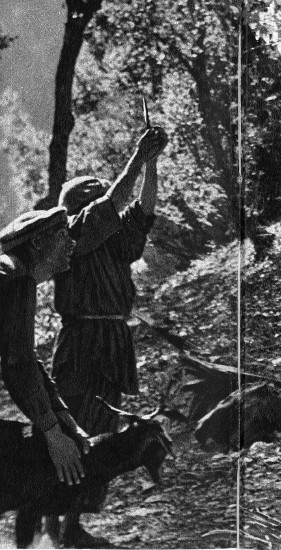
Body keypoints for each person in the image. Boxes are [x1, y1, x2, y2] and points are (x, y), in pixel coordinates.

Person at [48, 127, 168, 548]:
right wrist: (138, 155)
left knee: (104, 427)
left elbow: (141, 210)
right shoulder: (74, 234)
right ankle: (52, 519)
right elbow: (115, 202)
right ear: (81, 207)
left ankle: (73, 523)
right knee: (73, 424)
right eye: (95, 194)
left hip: (114, 339)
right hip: (82, 341)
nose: (106, 198)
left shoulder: (114, 241)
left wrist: (152, 163)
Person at [0, 208, 90, 489]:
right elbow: (18, 364)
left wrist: (62, 417)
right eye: (62, 235)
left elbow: (25, 357)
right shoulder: (16, 277)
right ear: (37, 243)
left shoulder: (12, 271)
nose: (72, 243)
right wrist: (53, 434)